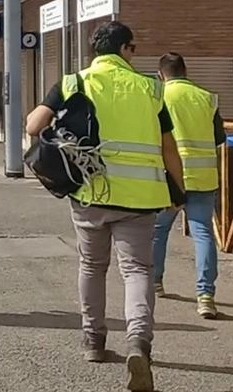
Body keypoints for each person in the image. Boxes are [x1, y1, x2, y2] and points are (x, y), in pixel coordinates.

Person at [25, 21, 185, 392]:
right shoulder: (150, 88)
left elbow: (34, 125)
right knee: (137, 270)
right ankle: (138, 343)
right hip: (141, 198)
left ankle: (94, 341)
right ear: (126, 49)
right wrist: (179, 191)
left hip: (90, 192)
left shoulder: (73, 83)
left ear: (96, 50)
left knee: (92, 266)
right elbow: (168, 148)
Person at [152, 52, 226, 319]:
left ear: (161, 74)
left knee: (159, 231)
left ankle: (155, 282)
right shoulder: (207, 97)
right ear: (186, 71)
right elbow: (219, 137)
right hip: (204, 177)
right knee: (203, 234)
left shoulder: (159, 96)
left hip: (170, 178)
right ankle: (206, 296)